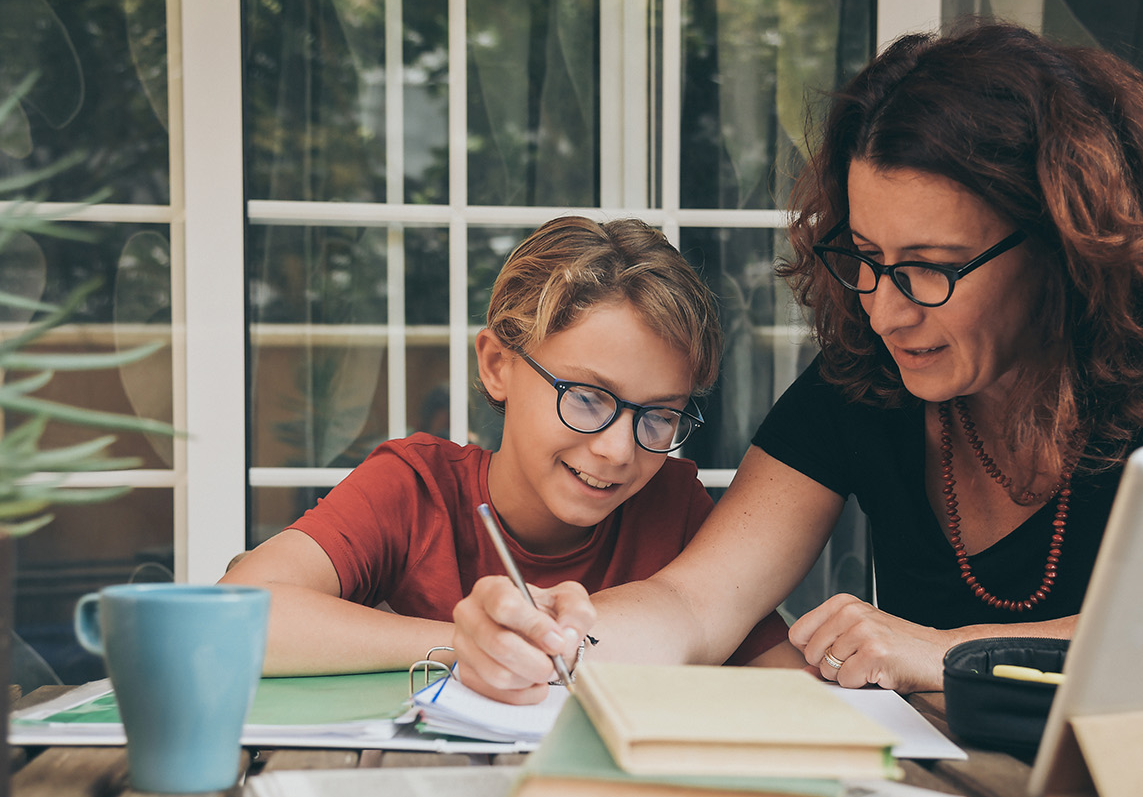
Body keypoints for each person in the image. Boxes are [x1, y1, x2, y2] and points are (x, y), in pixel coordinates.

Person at [449, 22, 1143, 704]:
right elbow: (695, 603)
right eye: (864, 257)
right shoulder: (865, 373)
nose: (884, 309)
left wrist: (944, 651)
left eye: (930, 268)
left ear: (1060, 245)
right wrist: (560, 638)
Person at [221, 216, 797, 673]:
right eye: (588, 398)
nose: (619, 451)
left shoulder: (673, 508)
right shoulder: (415, 490)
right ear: (498, 365)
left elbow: (784, 680)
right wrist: (469, 643)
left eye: (660, 416)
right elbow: (231, 616)